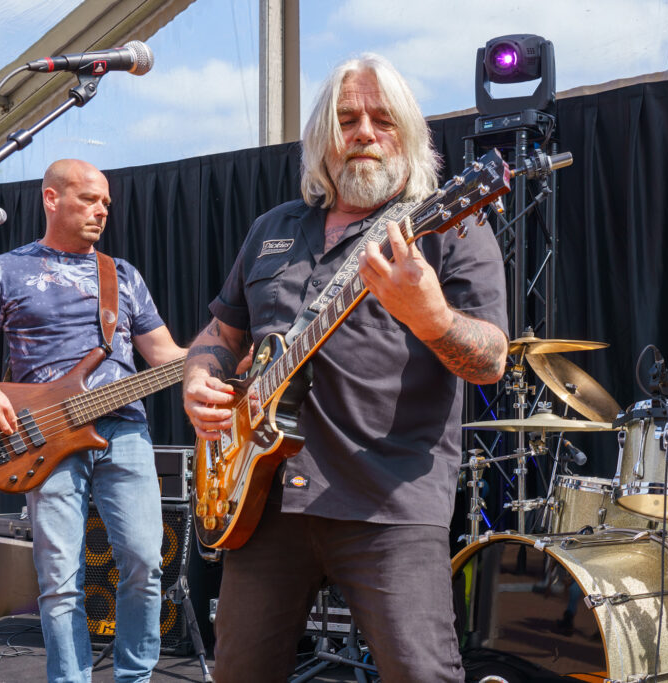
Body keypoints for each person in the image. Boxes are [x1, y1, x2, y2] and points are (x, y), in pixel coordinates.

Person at [182, 53, 508, 682]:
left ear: (408, 135)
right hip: (264, 501)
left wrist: (432, 318)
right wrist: (200, 376)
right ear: (322, 139)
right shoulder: (272, 229)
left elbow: (491, 360)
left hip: (391, 500)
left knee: (423, 674)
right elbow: (218, 336)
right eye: (347, 118)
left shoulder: (449, 225)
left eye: (382, 120)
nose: (363, 132)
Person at [0, 159, 187, 682]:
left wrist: (218, 360)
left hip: (123, 431)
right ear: (51, 199)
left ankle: (135, 677)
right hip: (43, 439)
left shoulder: (121, 275)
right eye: (88, 199)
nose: (102, 210)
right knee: (60, 579)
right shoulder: (7, 270)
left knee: (145, 564)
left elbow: (166, 354)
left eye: (106, 202)